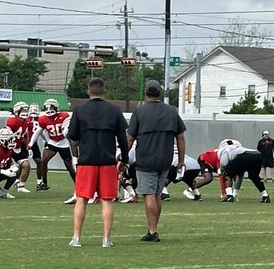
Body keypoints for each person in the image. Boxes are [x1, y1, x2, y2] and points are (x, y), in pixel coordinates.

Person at [65, 76, 128, 247]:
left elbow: (72, 135)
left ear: (88, 91)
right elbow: (122, 138)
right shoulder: (114, 110)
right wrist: (125, 159)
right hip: (107, 161)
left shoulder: (79, 110)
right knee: (106, 200)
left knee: (82, 199)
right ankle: (106, 239)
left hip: (86, 160)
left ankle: (76, 237)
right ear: (104, 91)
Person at [126, 80, 187, 241]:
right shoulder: (172, 112)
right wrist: (181, 160)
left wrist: (123, 157)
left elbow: (130, 138)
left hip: (145, 159)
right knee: (157, 194)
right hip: (165, 159)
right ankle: (153, 228)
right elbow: (180, 137)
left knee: (149, 194)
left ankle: (153, 231)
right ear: (160, 93)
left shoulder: (139, 112)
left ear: (146, 93)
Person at [32, 98, 78, 202]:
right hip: (53, 142)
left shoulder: (64, 116)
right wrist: (31, 143)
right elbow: (38, 131)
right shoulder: (43, 119)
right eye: (47, 107)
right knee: (44, 160)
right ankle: (44, 183)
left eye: (51, 107)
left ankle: (78, 186)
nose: (48, 109)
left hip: (64, 143)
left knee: (70, 168)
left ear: (56, 108)